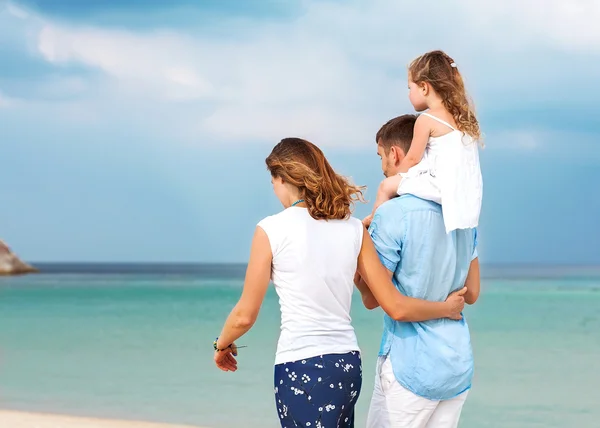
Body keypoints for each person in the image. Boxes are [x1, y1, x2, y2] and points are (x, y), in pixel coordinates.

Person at [213, 137, 469, 428]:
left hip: (301, 363)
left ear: (282, 178)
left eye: (273, 181)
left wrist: (221, 344)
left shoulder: (270, 229)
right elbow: (394, 306)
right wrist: (445, 308)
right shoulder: (352, 229)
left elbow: (245, 315)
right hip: (346, 364)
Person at [360, 115, 481, 428]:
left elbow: (374, 300)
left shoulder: (393, 215)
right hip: (455, 364)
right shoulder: (464, 214)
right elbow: (473, 293)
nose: (383, 167)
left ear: (396, 155)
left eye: (381, 157)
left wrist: (361, 254)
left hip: (410, 366)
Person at [364, 50, 483, 233]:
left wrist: (398, 177)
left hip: (439, 185)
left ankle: (375, 223)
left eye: (409, 88)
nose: (409, 94)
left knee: (385, 187)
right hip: (463, 189)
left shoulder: (426, 120)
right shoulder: (462, 120)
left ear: (424, 87)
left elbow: (412, 159)